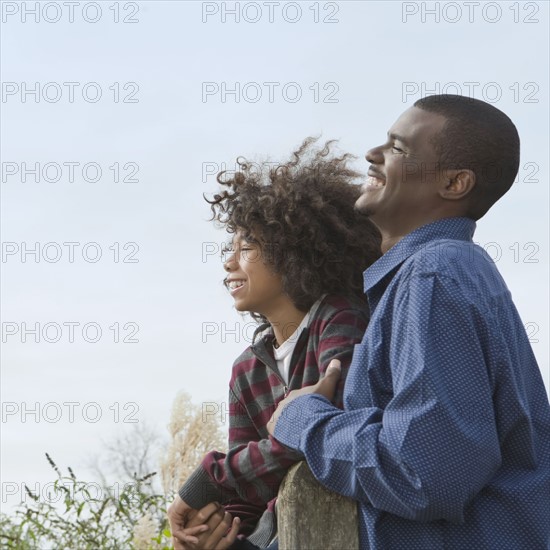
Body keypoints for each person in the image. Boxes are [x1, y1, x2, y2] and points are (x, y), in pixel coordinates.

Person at [268, 95, 550, 549]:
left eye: (398, 148)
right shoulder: (439, 274)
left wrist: (303, 418)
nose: (372, 155)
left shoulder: (433, 276)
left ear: (455, 183)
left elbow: (424, 473)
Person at [167, 138, 382, 549]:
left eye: (246, 248)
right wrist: (213, 528)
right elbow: (247, 492)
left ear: (294, 253)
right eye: (230, 249)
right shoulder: (246, 370)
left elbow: (327, 432)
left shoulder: (340, 319)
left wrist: (209, 477)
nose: (229, 262)